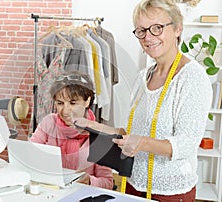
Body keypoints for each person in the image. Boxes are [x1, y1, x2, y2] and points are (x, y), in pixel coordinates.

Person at [73, 0, 213, 201]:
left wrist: (143, 143)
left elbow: (186, 144)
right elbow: (132, 135)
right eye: (141, 30)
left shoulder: (192, 77)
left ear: (177, 28)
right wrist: (93, 126)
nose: (148, 37)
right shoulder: (143, 76)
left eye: (157, 28)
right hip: (132, 184)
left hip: (168, 193)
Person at [29, 71, 114, 190]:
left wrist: (89, 181)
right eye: (60, 103)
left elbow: (107, 183)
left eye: (73, 103)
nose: (65, 111)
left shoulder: (100, 135)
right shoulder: (48, 123)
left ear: (87, 101)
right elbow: (29, 154)